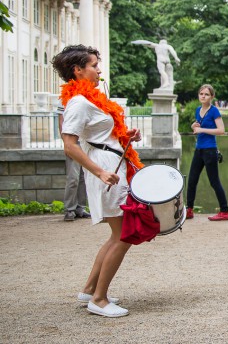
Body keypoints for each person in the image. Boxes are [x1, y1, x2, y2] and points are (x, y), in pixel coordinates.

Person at [55, 44, 144, 318]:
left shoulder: (92, 99)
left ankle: (90, 289)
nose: (99, 69)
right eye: (94, 65)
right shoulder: (79, 102)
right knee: (124, 235)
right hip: (105, 171)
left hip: (112, 162)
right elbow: (69, 145)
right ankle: (100, 299)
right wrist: (99, 172)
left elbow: (98, 136)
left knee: (116, 234)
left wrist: (125, 136)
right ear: (77, 70)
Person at [186, 84, 228, 221]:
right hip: (199, 150)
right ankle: (189, 210)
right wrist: (194, 126)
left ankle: (225, 211)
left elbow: (221, 130)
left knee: (214, 182)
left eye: (206, 94)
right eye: (201, 94)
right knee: (192, 180)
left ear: (212, 96)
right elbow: (198, 125)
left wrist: (202, 130)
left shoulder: (214, 111)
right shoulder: (198, 110)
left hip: (210, 150)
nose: (203, 96)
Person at [57, 104, 90, 221]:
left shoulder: (86, 96)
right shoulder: (66, 99)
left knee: (84, 176)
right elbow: (61, 122)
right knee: (73, 177)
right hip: (74, 143)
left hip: (87, 142)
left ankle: (80, 208)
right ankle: (69, 209)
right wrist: (66, 143)